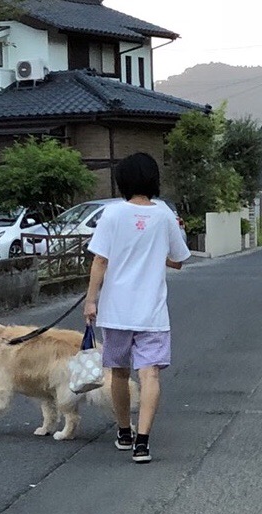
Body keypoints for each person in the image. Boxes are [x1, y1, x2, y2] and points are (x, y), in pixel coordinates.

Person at [83, 152, 190, 463]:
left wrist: (91, 300)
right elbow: (179, 260)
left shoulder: (113, 215)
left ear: (122, 181)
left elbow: (100, 260)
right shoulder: (165, 216)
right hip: (152, 312)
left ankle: (124, 431)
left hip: (116, 310)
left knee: (118, 372)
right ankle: (142, 443)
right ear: (153, 180)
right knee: (150, 373)